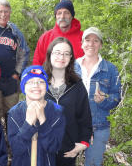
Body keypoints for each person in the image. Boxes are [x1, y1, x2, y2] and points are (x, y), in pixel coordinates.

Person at [74, 27, 121, 166]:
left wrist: (104, 100)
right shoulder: (72, 66)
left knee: (93, 163)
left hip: (99, 127)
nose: (91, 44)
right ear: (82, 44)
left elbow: (117, 97)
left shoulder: (111, 69)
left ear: (100, 44)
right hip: (73, 125)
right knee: (67, 161)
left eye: (95, 41)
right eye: (87, 40)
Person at [43, 37, 92, 166]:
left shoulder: (77, 85)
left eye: (66, 53)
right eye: (57, 52)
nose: (61, 57)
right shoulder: (38, 82)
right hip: (42, 149)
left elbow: (85, 117)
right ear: (50, 54)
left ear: (71, 58)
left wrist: (83, 143)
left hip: (67, 150)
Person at [7, 65, 66, 166]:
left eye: (41, 81)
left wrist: (43, 120)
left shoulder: (57, 112)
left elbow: (54, 147)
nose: (36, 85)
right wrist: (28, 124)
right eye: (30, 82)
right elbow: (16, 149)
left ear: (46, 86)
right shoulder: (14, 113)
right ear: (23, 87)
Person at [33, 0, 84, 65]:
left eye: (66, 13)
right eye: (59, 13)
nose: (62, 17)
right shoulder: (45, 37)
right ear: (56, 16)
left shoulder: (83, 38)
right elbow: (36, 63)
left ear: (72, 16)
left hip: (77, 75)